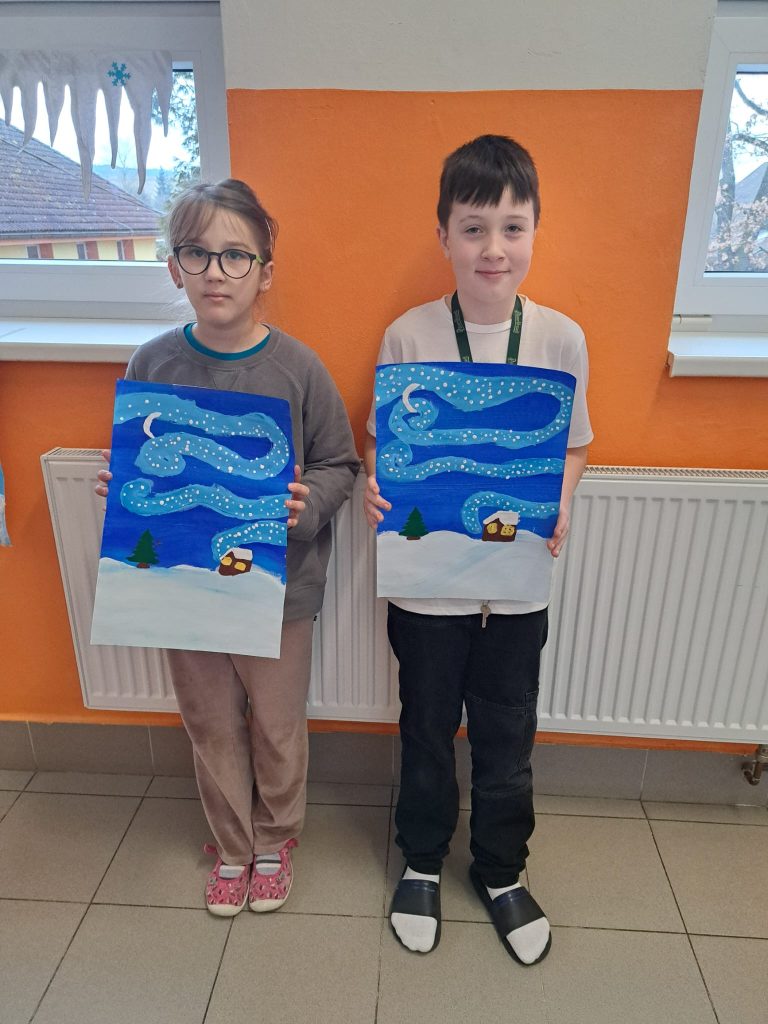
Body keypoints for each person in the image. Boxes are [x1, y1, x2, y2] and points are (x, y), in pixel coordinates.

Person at [97, 178, 359, 917]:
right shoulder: (151, 365)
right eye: (198, 253)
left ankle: (276, 839)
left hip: (279, 590)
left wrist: (309, 505)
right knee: (209, 721)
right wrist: (122, 490)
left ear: (264, 272)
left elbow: (341, 463)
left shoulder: (298, 369)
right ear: (174, 266)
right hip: (182, 590)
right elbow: (139, 467)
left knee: (276, 723)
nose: (217, 271)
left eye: (236, 255)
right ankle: (233, 846)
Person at [363, 135, 593, 964]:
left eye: (512, 227)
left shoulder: (560, 339)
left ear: (534, 233)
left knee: (507, 737)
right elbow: (380, 444)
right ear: (444, 236)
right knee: (426, 730)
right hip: (427, 591)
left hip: (517, 590)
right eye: (473, 228)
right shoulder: (409, 335)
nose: (494, 248)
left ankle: (500, 869)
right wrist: (375, 484)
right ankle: (422, 859)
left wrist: (562, 498)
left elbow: (574, 445)